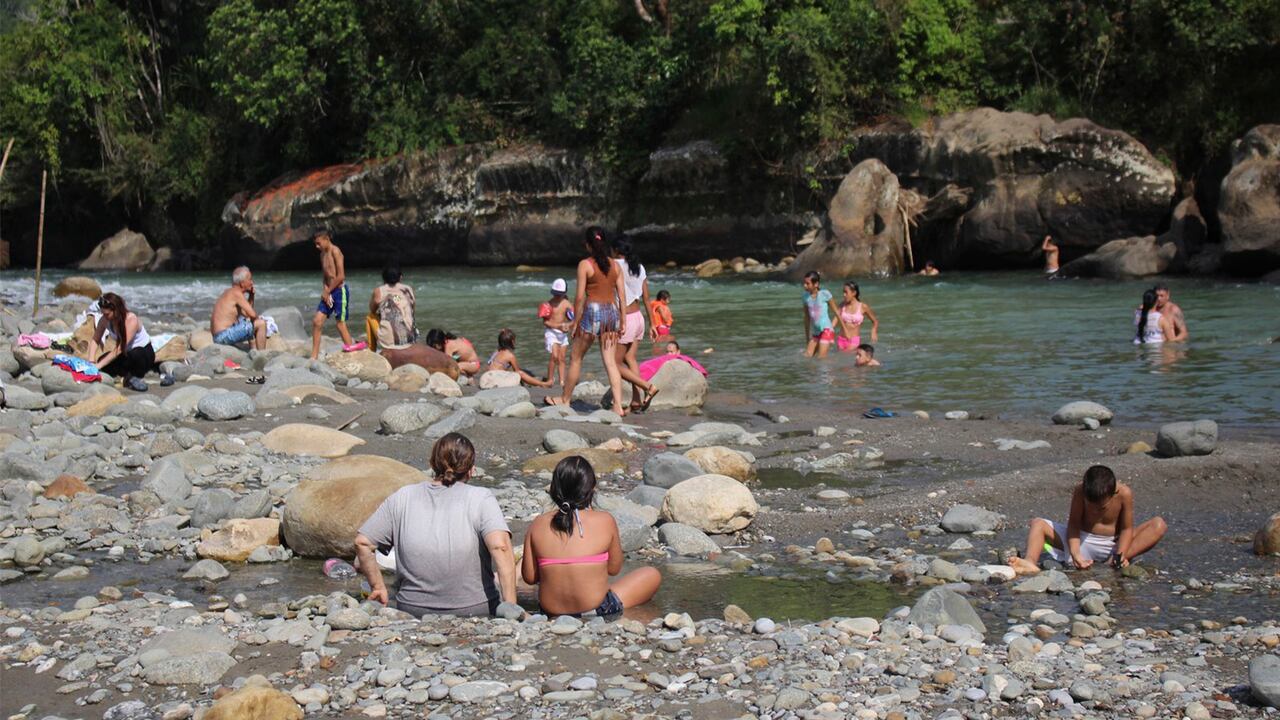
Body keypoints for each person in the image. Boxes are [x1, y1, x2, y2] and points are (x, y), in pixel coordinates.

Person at [354, 433, 517, 617]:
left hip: (413, 607)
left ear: (432, 464)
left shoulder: (403, 496)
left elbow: (363, 542)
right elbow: (500, 547)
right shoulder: (481, 497)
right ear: (471, 470)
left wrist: (378, 586)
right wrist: (511, 606)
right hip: (474, 608)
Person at [521, 455, 661, 618]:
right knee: (651, 574)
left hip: (551, 611)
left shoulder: (538, 524)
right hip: (597, 609)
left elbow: (530, 577)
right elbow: (614, 569)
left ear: (554, 489)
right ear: (591, 488)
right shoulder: (605, 520)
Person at [1008, 465, 1166, 576]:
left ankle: (1114, 562)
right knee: (1038, 523)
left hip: (1112, 546)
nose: (1095, 511)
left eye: (1101, 508)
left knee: (1158, 525)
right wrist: (1076, 554)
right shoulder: (1080, 490)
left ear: (1114, 493)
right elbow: (1074, 523)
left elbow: (1126, 529)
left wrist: (1119, 555)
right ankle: (1030, 562)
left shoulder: (1124, 493)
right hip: (1081, 541)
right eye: (1091, 507)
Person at [548, 227, 629, 414]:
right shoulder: (615, 266)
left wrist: (575, 321)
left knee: (576, 358)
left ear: (588, 245)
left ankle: (565, 399)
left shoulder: (585, 265)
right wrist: (623, 321)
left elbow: (578, 298)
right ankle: (618, 405)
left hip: (592, 311)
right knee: (610, 362)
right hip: (611, 313)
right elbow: (622, 297)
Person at [612, 238, 660, 413]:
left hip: (626, 318)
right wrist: (653, 324)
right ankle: (636, 400)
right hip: (639, 317)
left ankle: (647, 386)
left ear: (616, 251)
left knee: (613, 362)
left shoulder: (614, 264)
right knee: (629, 358)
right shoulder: (639, 266)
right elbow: (647, 298)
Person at [311, 231, 365, 359]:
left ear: (326, 239)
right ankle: (314, 356)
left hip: (339, 292)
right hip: (328, 291)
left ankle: (351, 351)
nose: (317, 247)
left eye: (319, 243)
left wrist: (328, 291)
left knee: (340, 323)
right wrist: (325, 290)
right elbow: (325, 276)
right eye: (315, 244)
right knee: (317, 322)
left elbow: (341, 276)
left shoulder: (336, 251)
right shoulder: (322, 255)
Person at [87, 293, 154, 392]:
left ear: (116, 310)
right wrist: (91, 361)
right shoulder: (104, 320)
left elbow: (120, 348)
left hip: (143, 353)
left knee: (134, 354)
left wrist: (99, 366)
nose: (105, 316)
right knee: (102, 359)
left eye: (107, 314)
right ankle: (126, 375)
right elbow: (95, 340)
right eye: (103, 313)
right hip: (126, 354)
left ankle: (133, 377)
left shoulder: (131, 319)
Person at [210, 266, 266, 350]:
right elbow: (253, 315)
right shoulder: (236, 293)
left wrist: (251, 296)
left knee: (247, 322)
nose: (252, 282)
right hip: (223, 336)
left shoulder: (230, 292)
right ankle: (262, 355)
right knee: (261, 324)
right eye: (250, 279)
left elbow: (247, 314)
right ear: (242, 283)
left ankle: (253, 352)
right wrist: (260, 323)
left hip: (218, 336)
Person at [366, 265, 417, 352]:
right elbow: (411, 309)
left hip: (390, 342)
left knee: (370, 316)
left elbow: (372, 310)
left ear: (383, 278)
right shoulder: (408, 289)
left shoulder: (379, 290)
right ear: (400, 277)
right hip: (411, 338)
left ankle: (371, 350)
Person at [486, 329, 552, 387]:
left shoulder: (497, 352)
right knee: (520, 373)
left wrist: (502, 334)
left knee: (514, 371)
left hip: (487, 377)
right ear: (512, 342)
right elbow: (517, 372)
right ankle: (542, 384)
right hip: (495, 379)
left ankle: (536, 382)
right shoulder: (510, 355)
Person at [538, 279, 573, 387]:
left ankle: (562, 381)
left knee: (562, 358)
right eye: (556, 294)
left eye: (560, 295)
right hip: (551, 332)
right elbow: (546, 322)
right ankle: (550, 379)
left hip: (562, 334)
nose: (557, 297)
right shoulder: (548, 304)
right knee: (554, 356)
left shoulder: (567, 304)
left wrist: (569, 325)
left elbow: (575, 319)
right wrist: (558, 326)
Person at [801, 271, 841, 358]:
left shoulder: (824, 294)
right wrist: (807, 337)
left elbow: (836, 311)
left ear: (816, 284)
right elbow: (806, 317)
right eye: (804, 283)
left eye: (807, 283)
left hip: (827, 330)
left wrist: (845, 329)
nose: (805, 285)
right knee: (807, 356)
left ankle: (831, 370)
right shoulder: (805, 297)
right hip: (816, 332)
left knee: (821, 357)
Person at [835, 282, 879, 352]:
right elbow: (834, 321)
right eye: (843, 292)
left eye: (846, 292)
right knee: (840, 360)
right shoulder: (842, 305)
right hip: (841, 339)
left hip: (854, 341)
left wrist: (873, 331)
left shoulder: (863, 307)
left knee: (847, 356)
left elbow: (875, 321)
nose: (844, 295)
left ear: (854, 293)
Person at [638, 339, 708, 382]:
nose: (669, 354)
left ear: (678, 352)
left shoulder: (682, 358)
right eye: (667, 351)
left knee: (697, 355)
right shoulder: (663, 358)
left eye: (671, 352)